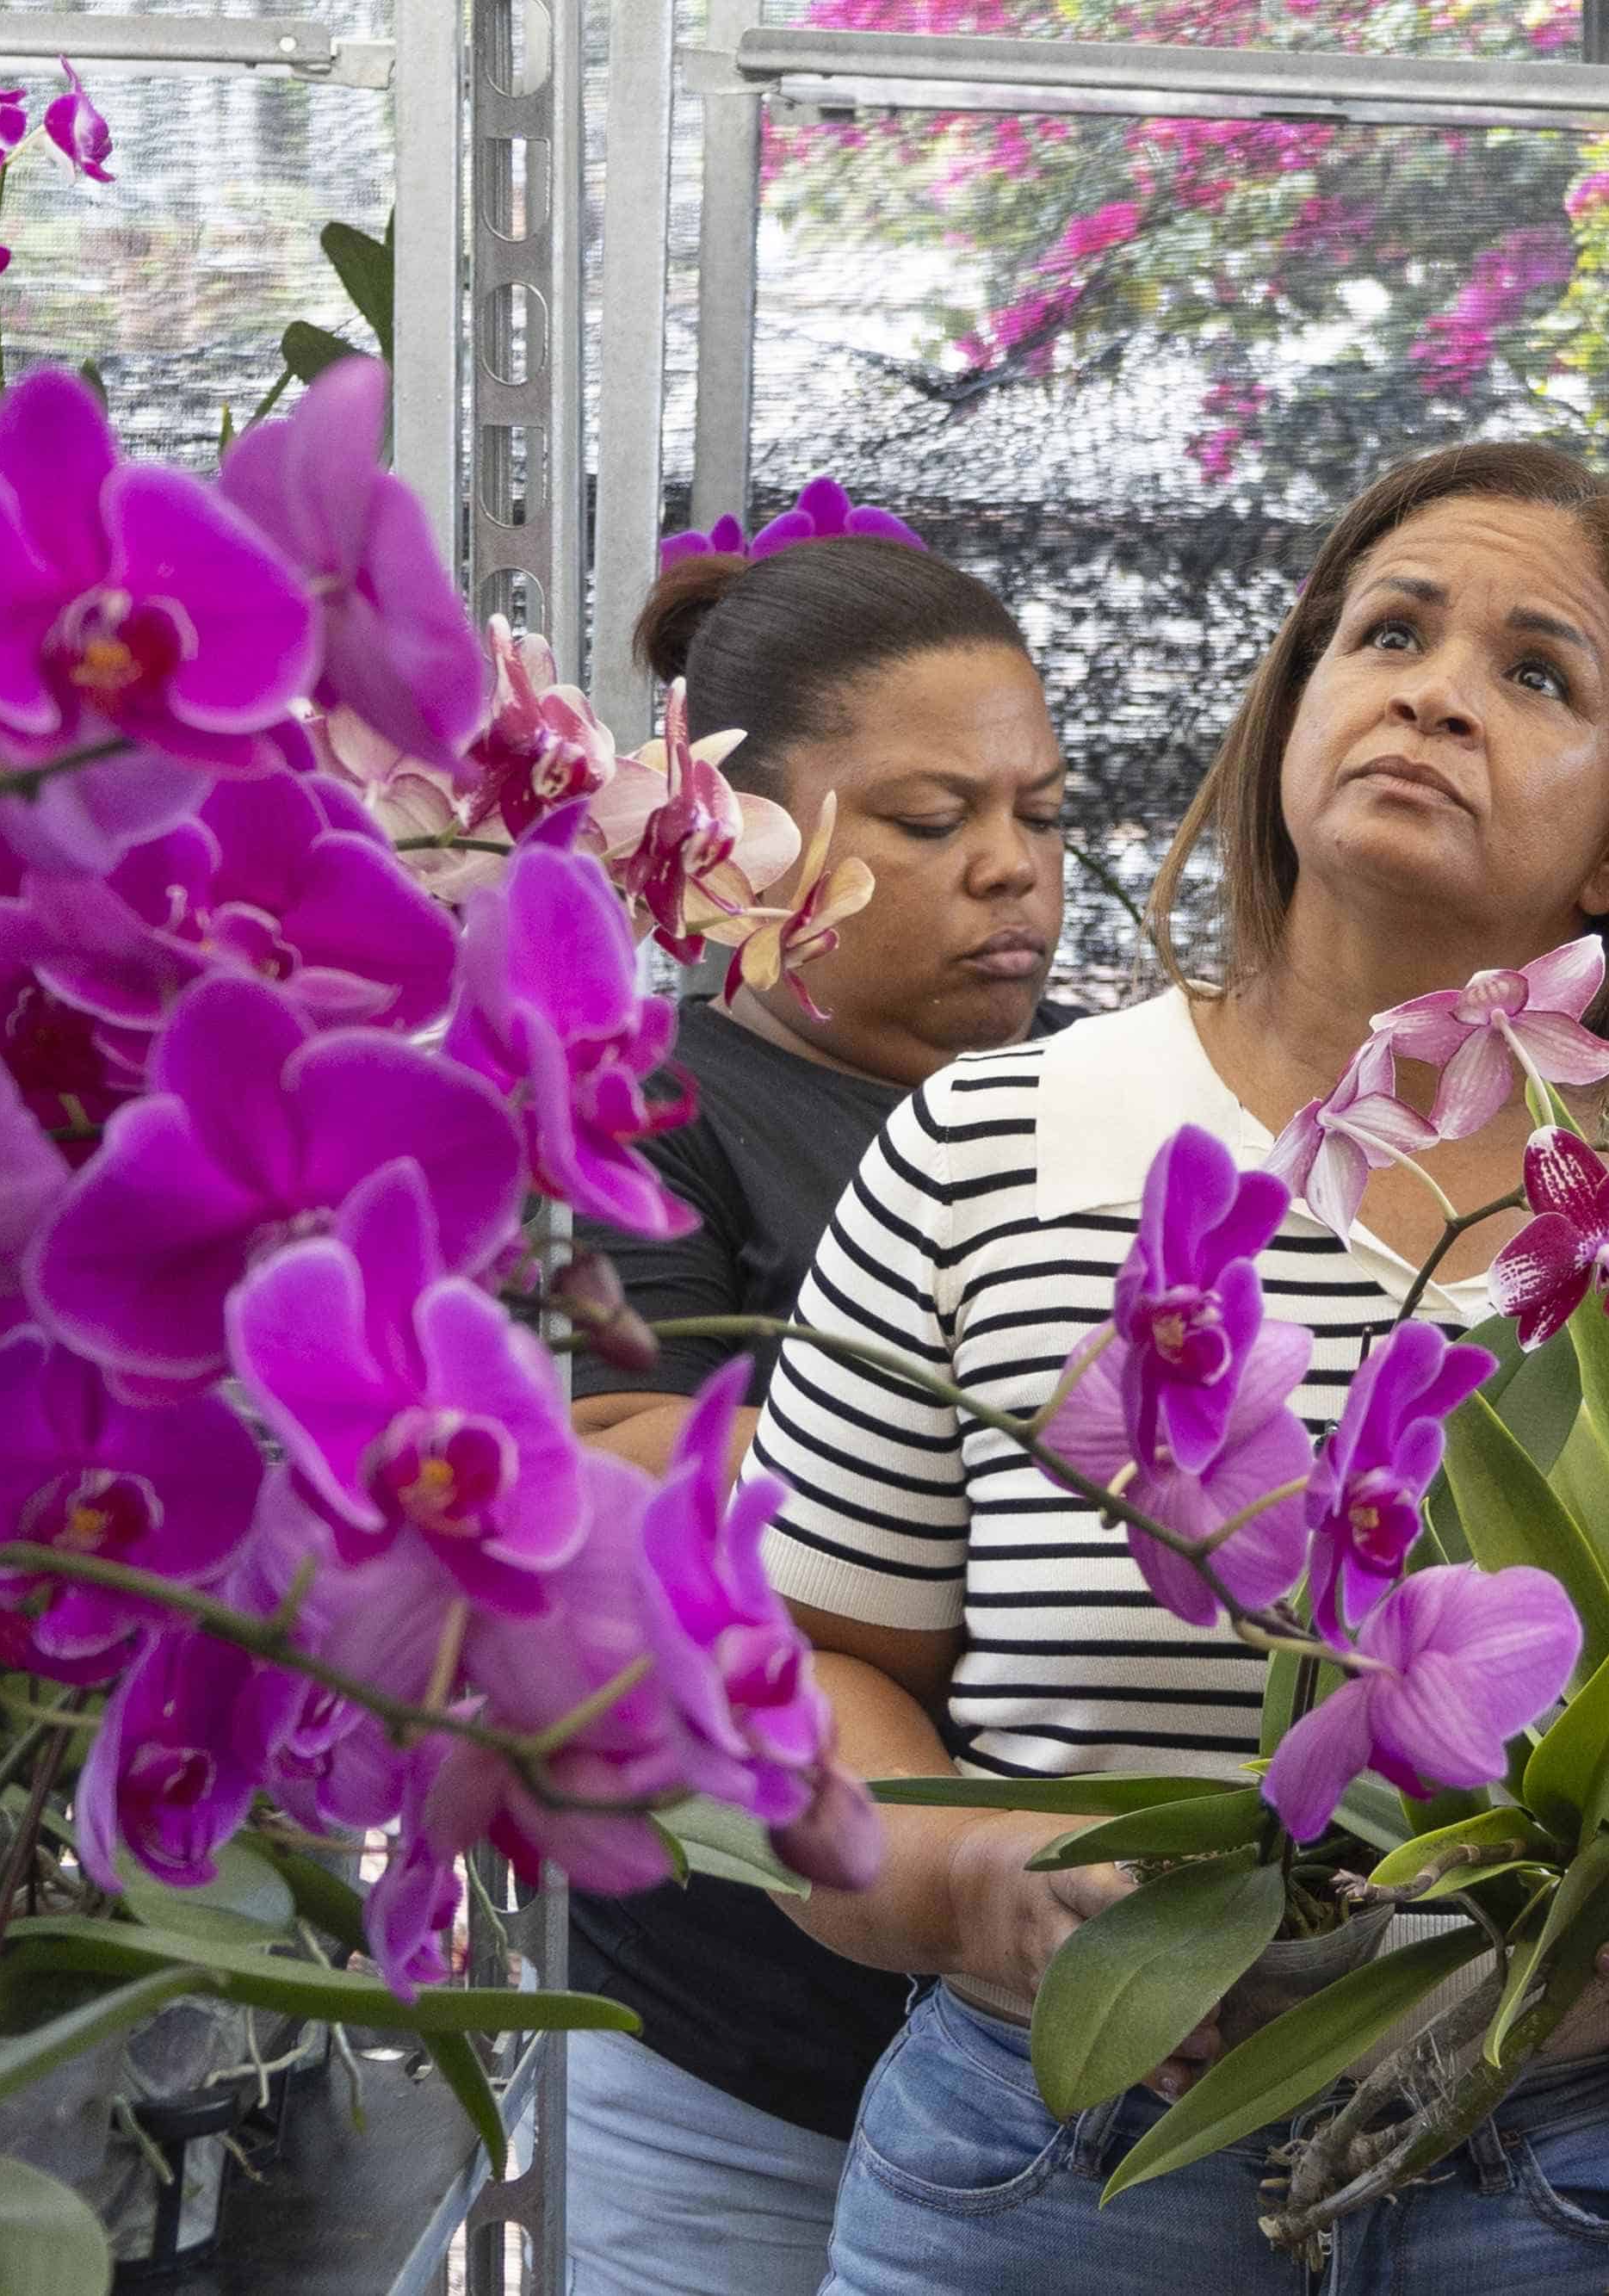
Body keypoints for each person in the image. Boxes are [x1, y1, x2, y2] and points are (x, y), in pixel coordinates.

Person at [756, 442, 1609, 2296]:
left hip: (1584, 2175)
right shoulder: (997, 1143)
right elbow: (802, 1666)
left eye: (1534, 671)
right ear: (1292, 709)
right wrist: (971, 1884)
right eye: (1388, 630)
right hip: (1061, 2143)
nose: (1430, 688)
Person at [561, 528, 1073, 2296]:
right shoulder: (646, 1112)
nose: (1010, 867)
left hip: (1053, 2074)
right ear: (746, 843)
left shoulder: (1112, 1104)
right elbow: (629, 1484)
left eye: (1044, 810)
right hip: (730, 2070)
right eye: (931, 822)